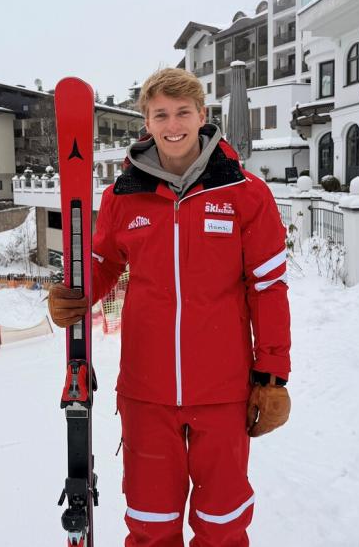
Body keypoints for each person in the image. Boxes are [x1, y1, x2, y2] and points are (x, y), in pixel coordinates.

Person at [49, 68, 291, 547]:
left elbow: (268, 287)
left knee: (223, 523)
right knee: (150, 521)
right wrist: (74, 295)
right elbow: (103, 263)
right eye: (161, 114)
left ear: (202, 116)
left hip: (223, 389)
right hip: (147, 389)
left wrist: (272, 377)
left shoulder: (244, 194)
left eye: (183, 112)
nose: (173, 123)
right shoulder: (122, 197)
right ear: (148, 122)